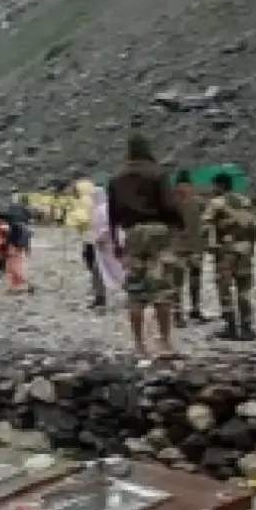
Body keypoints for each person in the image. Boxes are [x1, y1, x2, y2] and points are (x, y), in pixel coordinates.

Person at [108, 134, 183, 358]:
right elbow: (169, 204)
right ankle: (164, 342)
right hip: (158, 230)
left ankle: (139, 345)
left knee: (135, 291)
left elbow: (112, 215)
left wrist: (115, 242)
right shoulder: (158, 173)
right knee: (161, 287)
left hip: (131, 232)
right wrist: (177, 225)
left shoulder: (117, 177)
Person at [205, 173, 256, 341]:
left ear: (220, 185)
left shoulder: (216, 203)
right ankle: (246, 327)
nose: (212, 189)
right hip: (244, 250)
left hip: (226, 251)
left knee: (224, 288)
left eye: (214, 185)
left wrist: (210, 246)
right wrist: (251, 247)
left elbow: (205, 225)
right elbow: (253, 227)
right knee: (244, 289)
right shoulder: (245, 201)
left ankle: (230, 326)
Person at [168, 171, 209, 328]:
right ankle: (196, 310)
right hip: (196, 247)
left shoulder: (171, 201)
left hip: (176, 247)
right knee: (195, 280)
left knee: (177, 283)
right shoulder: (199, 200)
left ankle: (178, 315)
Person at [70, 180, 106, 308]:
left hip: (95, 240)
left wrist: (74, 218)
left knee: (97, 267)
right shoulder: (91, 201)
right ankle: (100, 293)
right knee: (98, 267)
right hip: (93, 239)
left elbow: (84, 219)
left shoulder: (87, 202)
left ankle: (100, 295)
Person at [90, 183, 124, 302]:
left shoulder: (103, 209)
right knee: (101, 269)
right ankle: (100, 296)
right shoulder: (99, 209)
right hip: (106, 245)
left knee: (113, 269)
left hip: (108, 244)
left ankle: (101, 297)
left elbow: (108, 226)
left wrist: (101, 238)